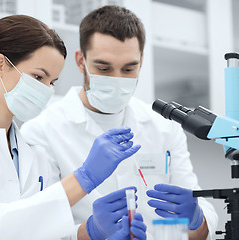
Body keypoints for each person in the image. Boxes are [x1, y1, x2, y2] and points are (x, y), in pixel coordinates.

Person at [0, 15, 147, 240]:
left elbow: (31, 232)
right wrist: (84, 178)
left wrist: (89, 232)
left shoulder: (32, 150)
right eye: (38, 77)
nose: (46, 90)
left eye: (52, 81)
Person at [21, 5, 218, 240]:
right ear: (81, 61)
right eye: (103, 68)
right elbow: (35, 230)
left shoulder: (164, 127)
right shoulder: (41, 131)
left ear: (141, 62)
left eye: (129, 68)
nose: (117, 79)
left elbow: (200, 228)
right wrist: (89, 233)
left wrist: (196, 219)